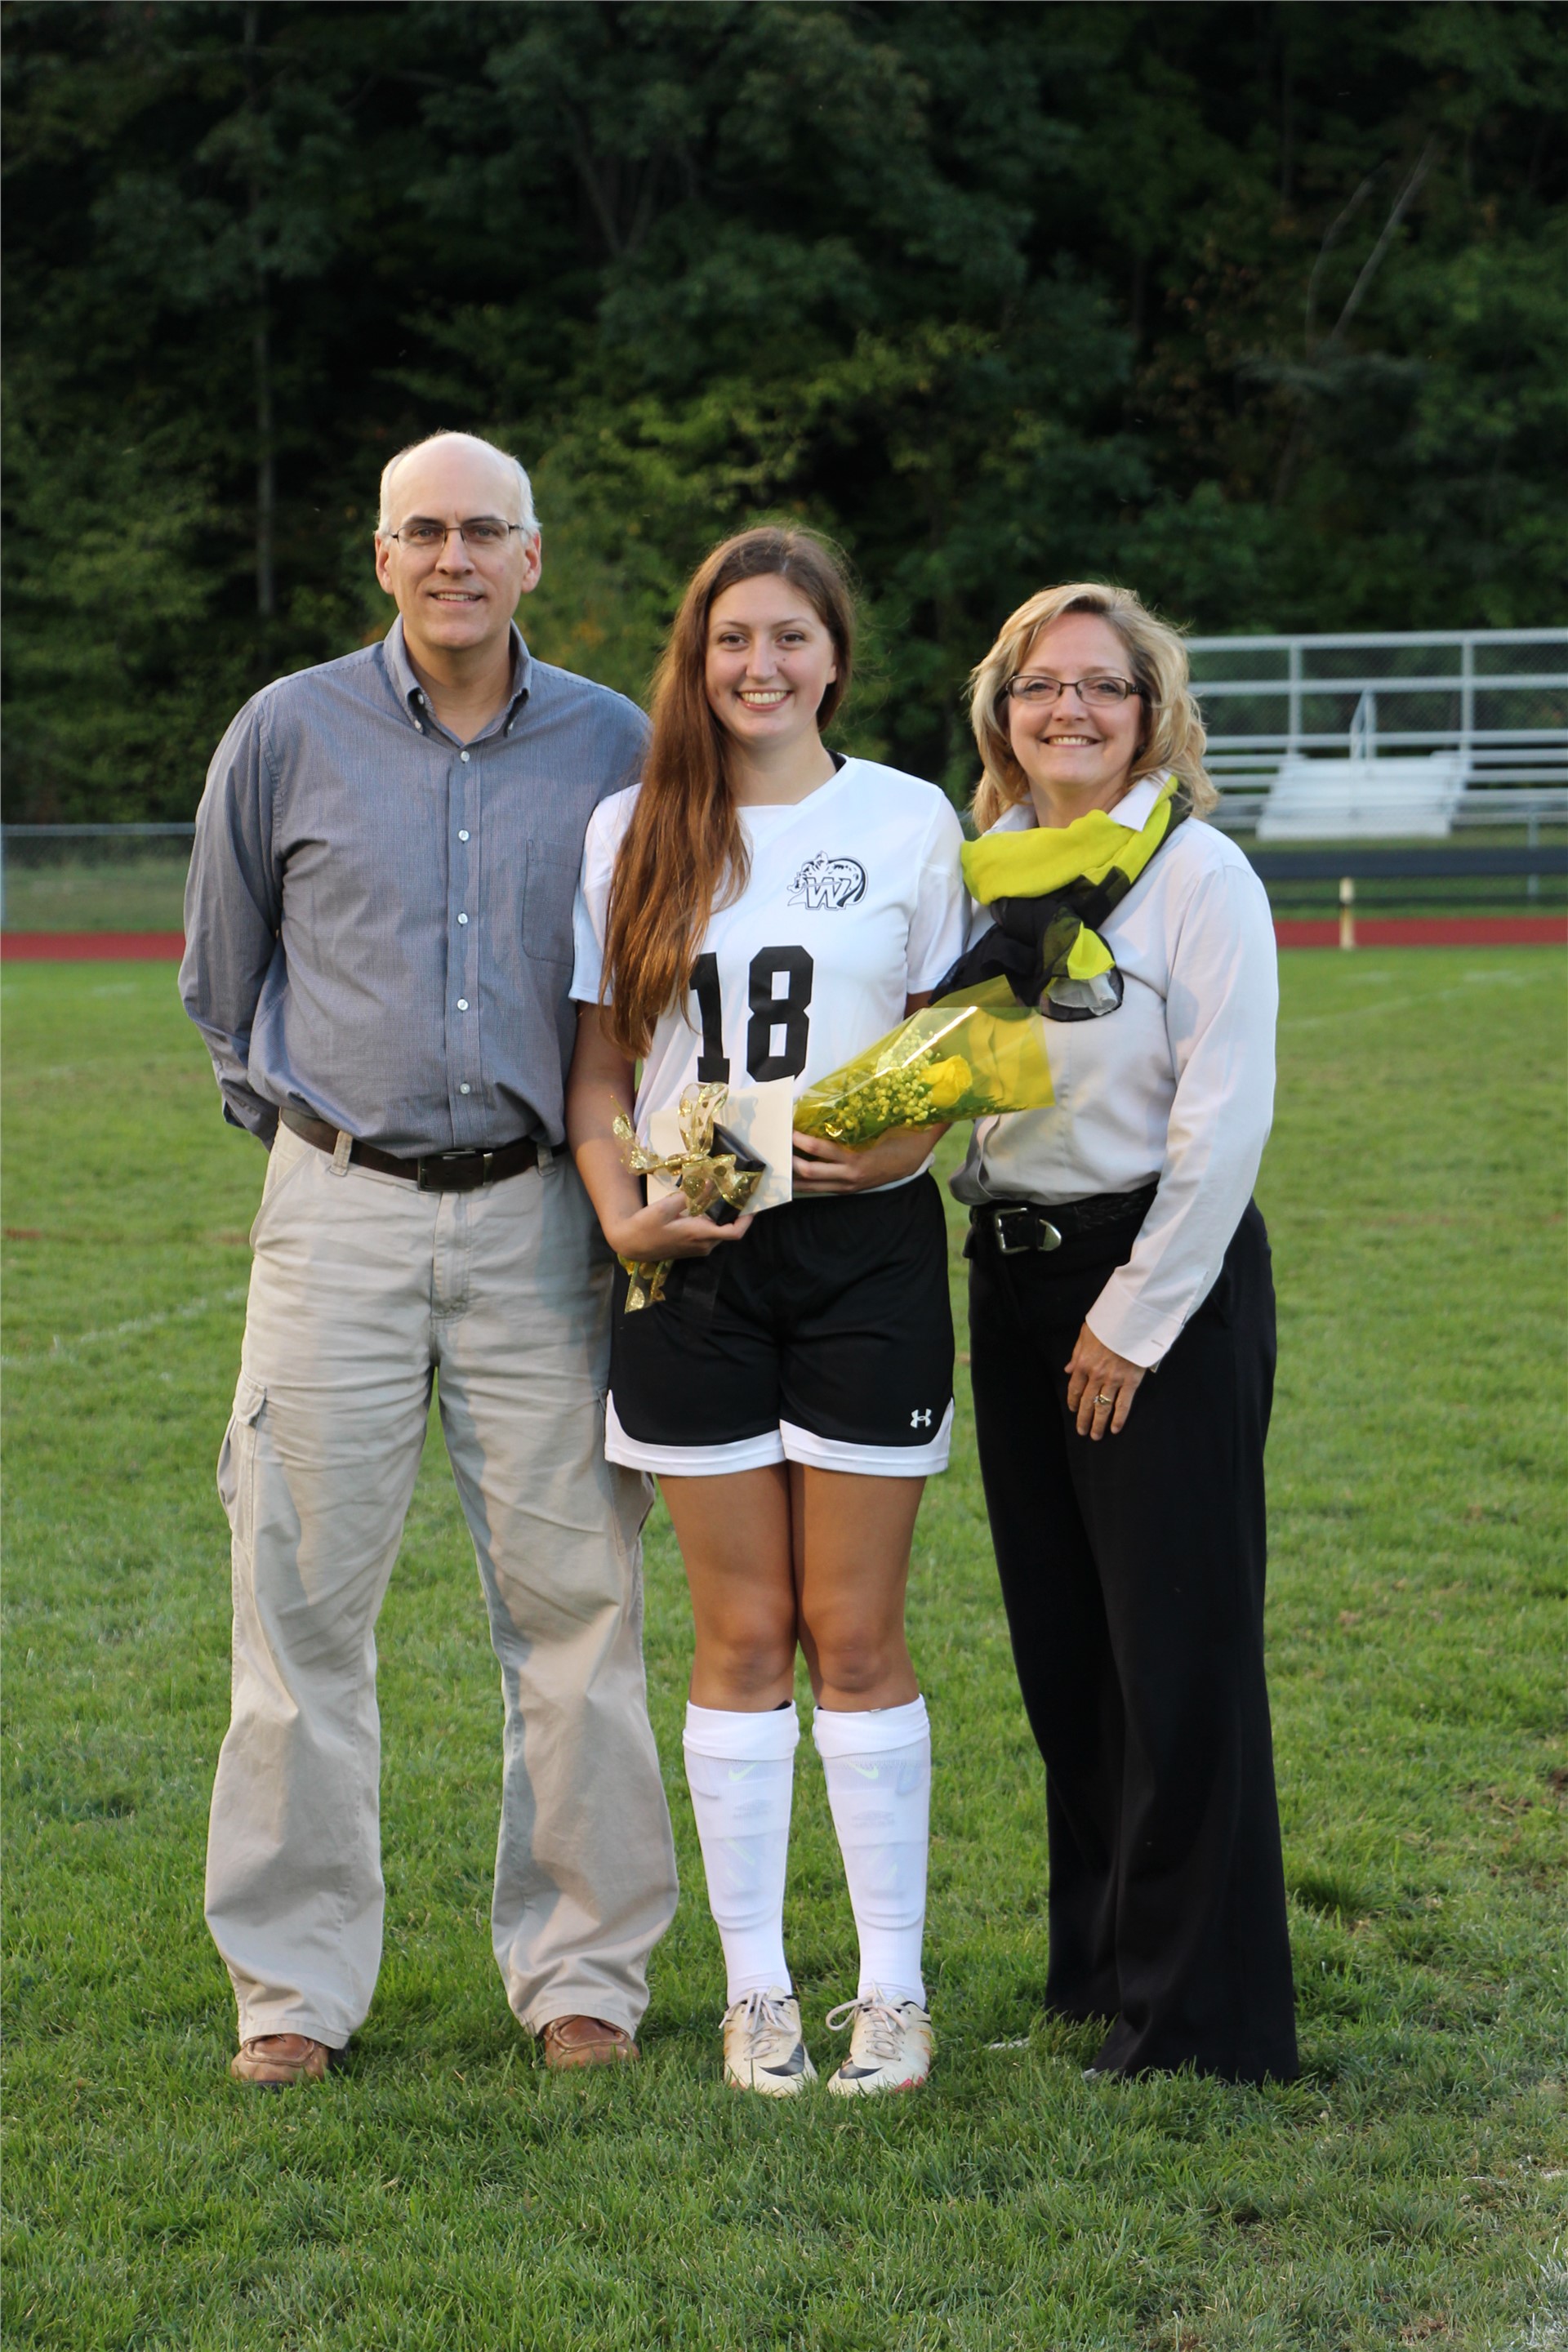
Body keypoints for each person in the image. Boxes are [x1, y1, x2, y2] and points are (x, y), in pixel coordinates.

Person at [180, 430, 678, 2087]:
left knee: (580, 1608)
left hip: (549, 1218)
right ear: (378, 555)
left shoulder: (618, 743)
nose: (454, 556)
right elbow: (221, 977)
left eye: (485, 530)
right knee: (297, 1607)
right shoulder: (287, 732)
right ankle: (294, 1992)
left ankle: (584, 1973)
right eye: (424, 532)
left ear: (534, 556)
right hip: (336, 1215)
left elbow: (653, 988)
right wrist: (333, 1161)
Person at [566, 527, 966, 2096]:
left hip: (864, 1254)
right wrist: (620, 1212)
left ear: (835, 657)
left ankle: (895, 1991)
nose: (761, 666)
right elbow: (601, 1067)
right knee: (740, 1633)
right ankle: (755, 1994)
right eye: (735, 638)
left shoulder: (909, 818)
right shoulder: (631, 828)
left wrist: (908, 1139)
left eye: (791, 637)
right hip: (696, 1253)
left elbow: (949, 1049)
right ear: (699, 654)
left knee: (856, 1636)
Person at [950, 581, 1298, 2083]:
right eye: (1042, 688)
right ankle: (1100, 1970)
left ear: (1153, 713)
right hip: (1011, 1276)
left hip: (1154, 1281)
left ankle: (1205, 2020)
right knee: (1067, 1653)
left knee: (1178, 1654)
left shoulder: (1200, 876)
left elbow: (1224, 1125)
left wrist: (1132, 1320)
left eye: (1104, 687)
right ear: (1002, 712)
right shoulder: (992, 873)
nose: (1070, 712)